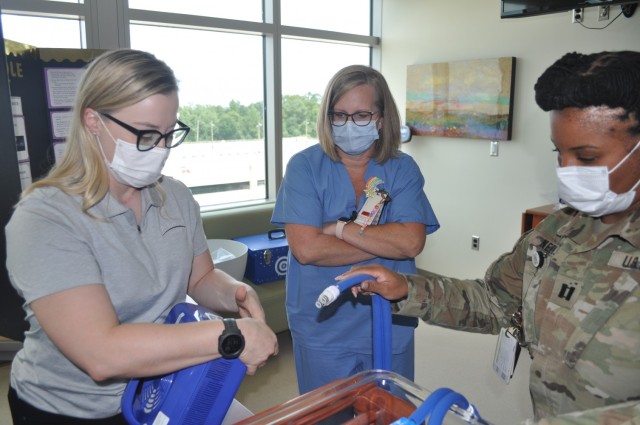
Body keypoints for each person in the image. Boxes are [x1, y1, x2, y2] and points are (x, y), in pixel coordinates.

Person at [340, 51, 640, 424]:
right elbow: (494, 299)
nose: (568, 172)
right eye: (559, 154)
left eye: (588, 158)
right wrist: (406, 288)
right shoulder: (559, 231)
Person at [5, 49, 278, 424]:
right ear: (93, 121)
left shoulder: (175, 196)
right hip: (69, 409)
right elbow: (102, 354)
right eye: (146, 135)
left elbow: (199, 278)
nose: (161, 150)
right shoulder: (46, 217)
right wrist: (231, 334)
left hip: (159, 387)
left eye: (169, 134)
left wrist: (235, 292)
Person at [271, 64, 440, 394]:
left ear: (380, 117)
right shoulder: (304, 167)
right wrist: (385, 238)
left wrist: (337, 229)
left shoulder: (401, 168)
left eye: (362, 115)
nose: (349, 124)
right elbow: (307, 249)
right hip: (322, 322)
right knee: (328, 416)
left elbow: (410, 242)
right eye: (340, 115)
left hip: (389, 318)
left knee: (389, 412)